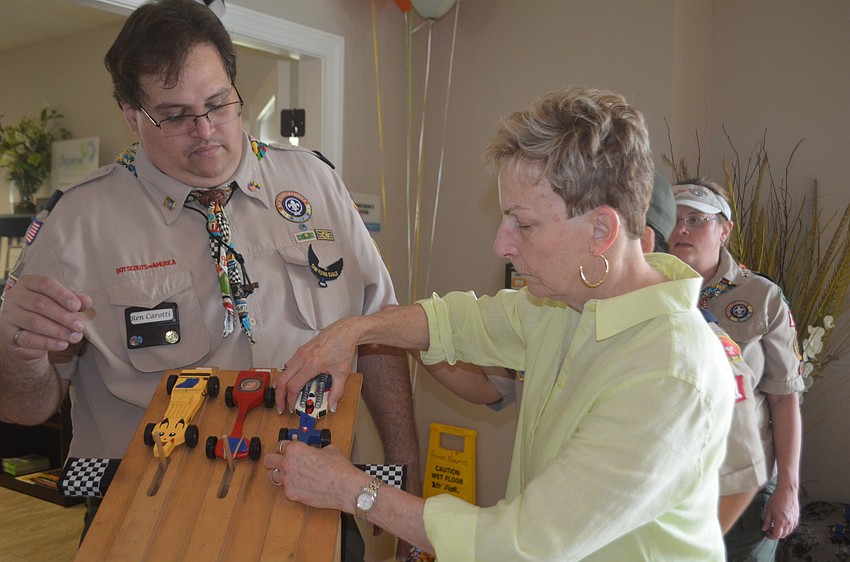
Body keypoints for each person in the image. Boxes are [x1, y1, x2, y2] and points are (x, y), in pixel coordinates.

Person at [0, 1, 419, 559]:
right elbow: (25, 408)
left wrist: (404, 478)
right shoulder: (77, 224)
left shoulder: (314, 182)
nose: (205, 131)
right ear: (131, 114)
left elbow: (379, 335)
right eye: (174, 115)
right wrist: (19, 352)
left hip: (311, 509)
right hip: (147, 520)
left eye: (218, 103)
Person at [266, 86, 735, 560]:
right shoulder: (567, 304)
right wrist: (352, 331)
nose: (501, 245)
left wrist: (354, 491)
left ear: (601, 231)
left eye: (522, 224)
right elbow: (458, 321)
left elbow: (521, 544)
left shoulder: (668, 373)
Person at [421, 171, 770, 534]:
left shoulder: (695, 349)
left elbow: (741, 475)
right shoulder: (557, 313)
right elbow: (488, 388)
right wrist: (413, 336)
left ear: (643, 245)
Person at [668, 178, 804, 559]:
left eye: (696, 219)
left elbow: (784, 399)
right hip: (670, 481)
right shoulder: (645, 290)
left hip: (743, 485)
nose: (682, 229)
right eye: (675, 219)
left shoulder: (762, 296)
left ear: (724, 230)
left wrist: (788, 488)